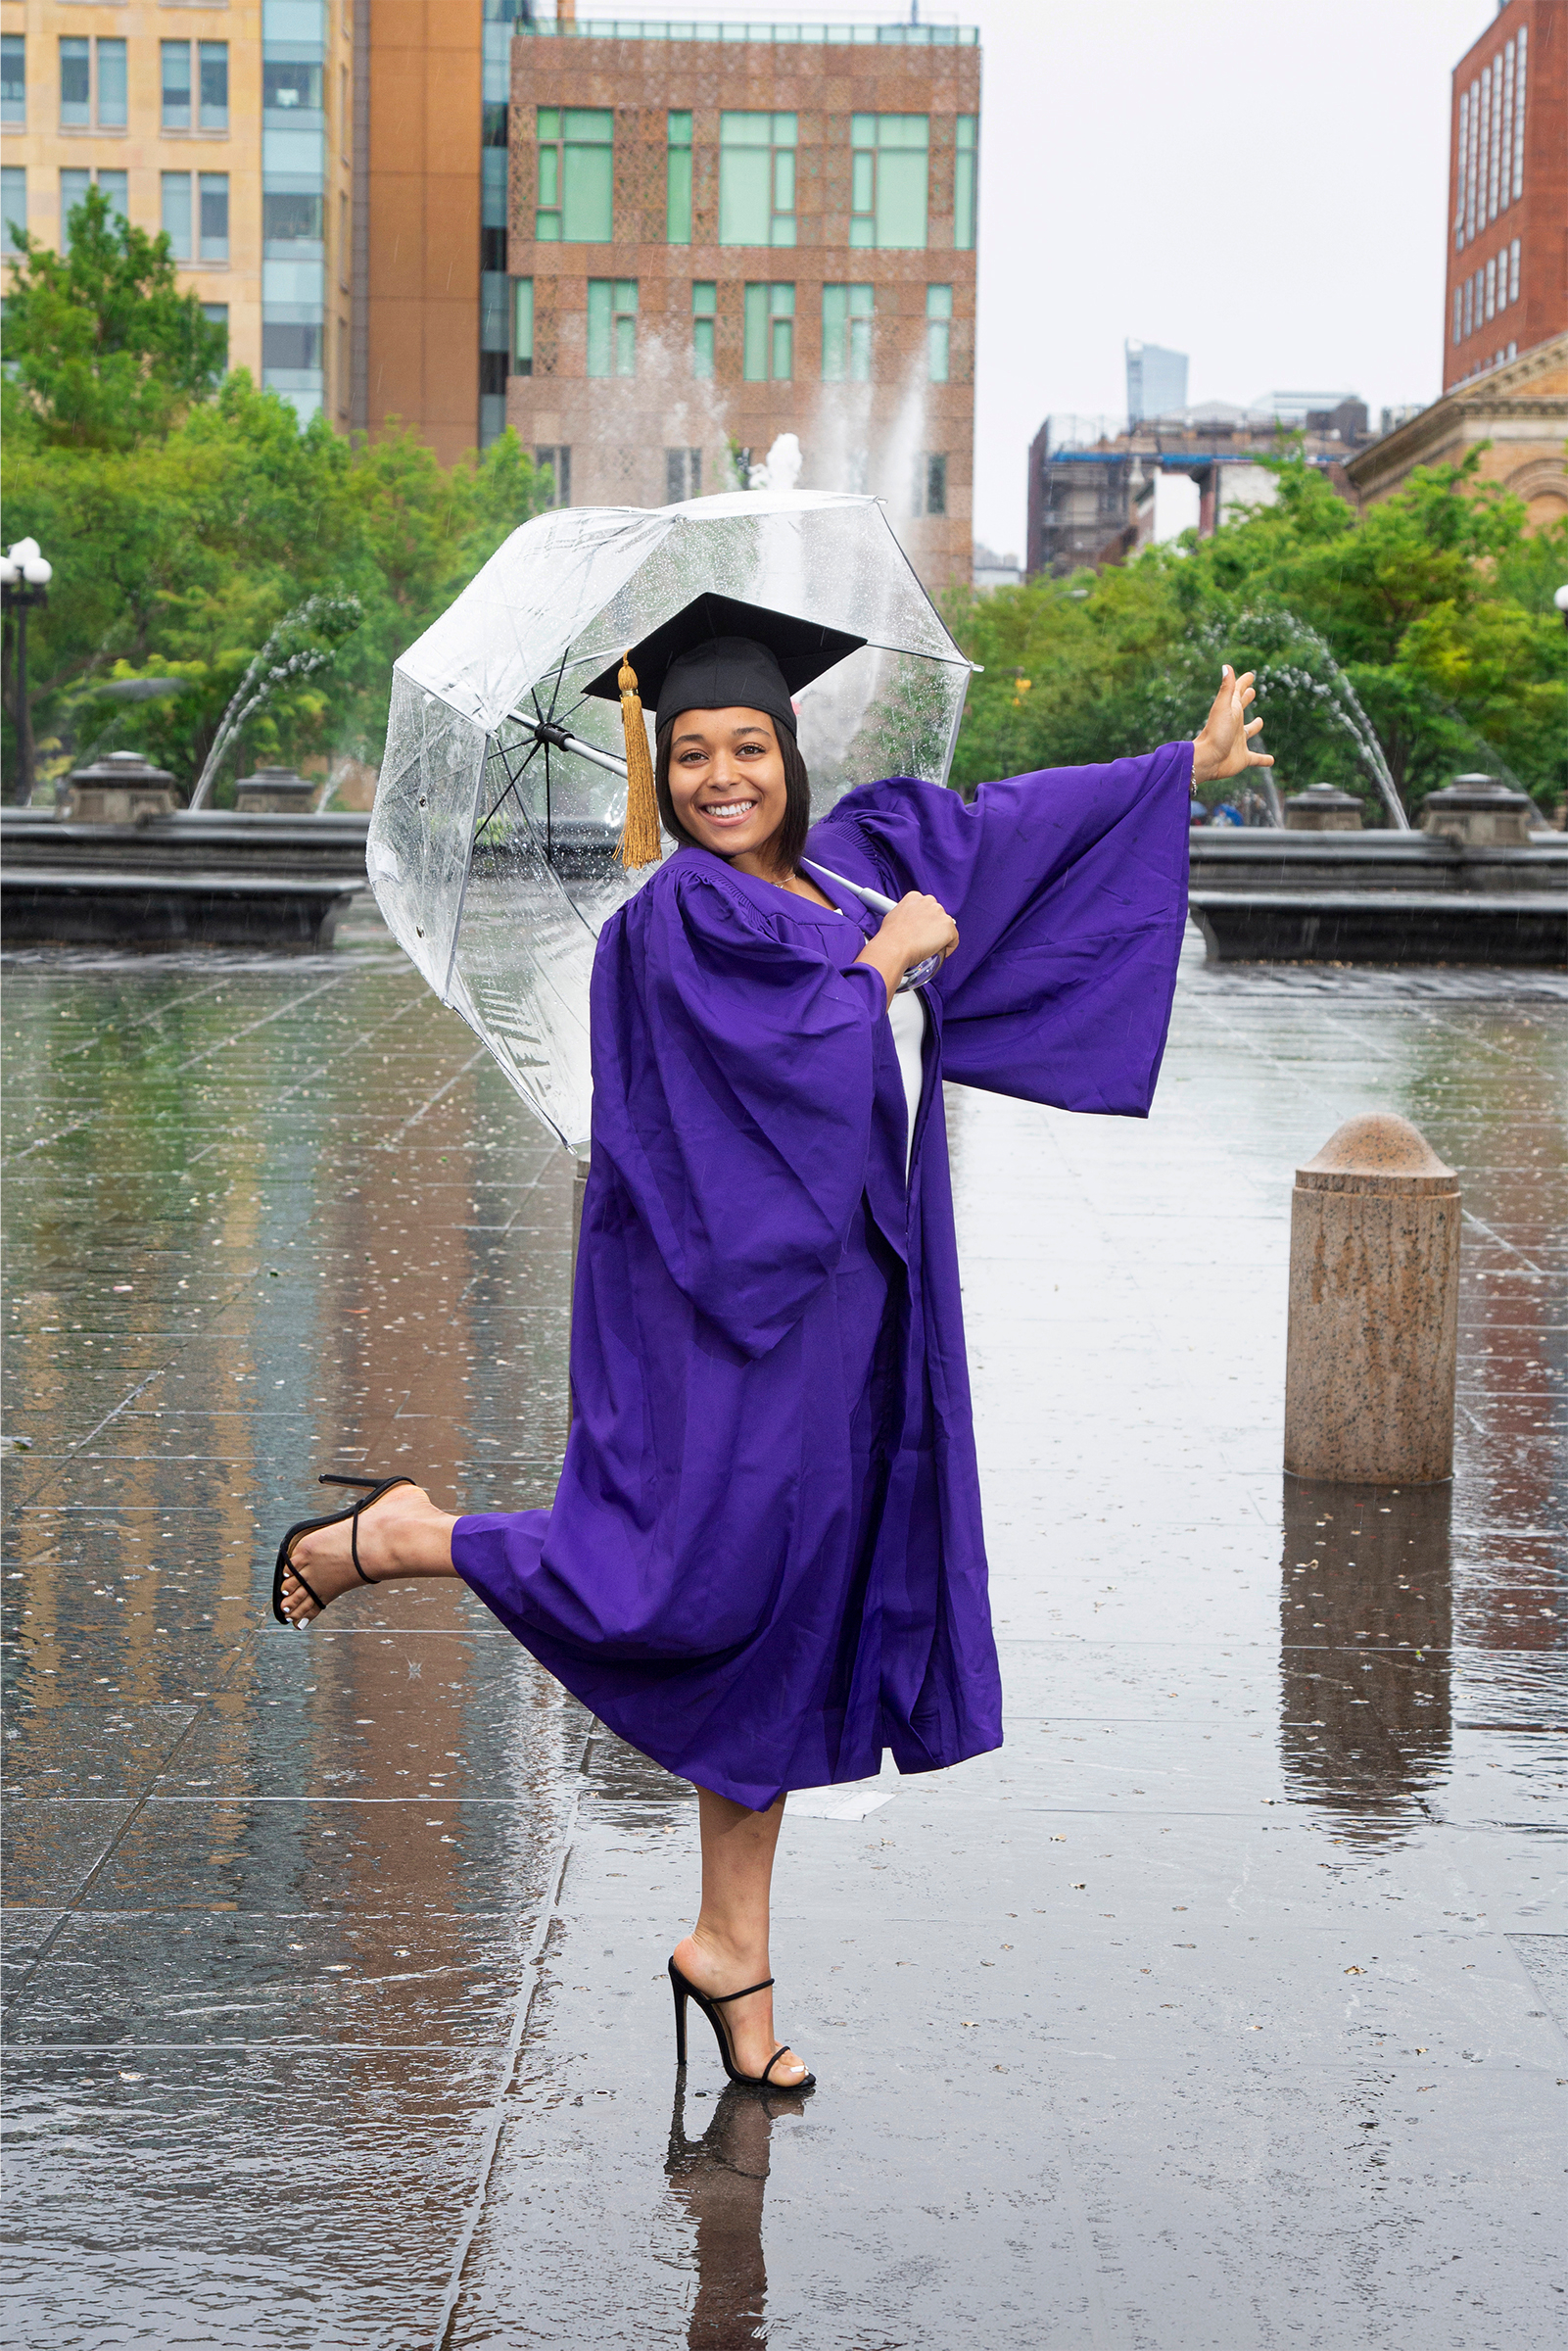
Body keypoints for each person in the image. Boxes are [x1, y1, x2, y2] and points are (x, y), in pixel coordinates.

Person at [271, 599, 1271, 2094]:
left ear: (789, 753)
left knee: (792, 1615)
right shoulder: (681, 913)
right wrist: (878, 970)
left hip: (848, 1308)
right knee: (687, 1582)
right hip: (725, 1310)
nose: (720, 776)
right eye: (689, 755)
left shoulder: (848, 864)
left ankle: (728, 1946)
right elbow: (770, 1056)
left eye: (747, 746)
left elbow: (992, 832)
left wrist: (1167, 773)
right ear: (656, 773)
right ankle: (409, 1539)